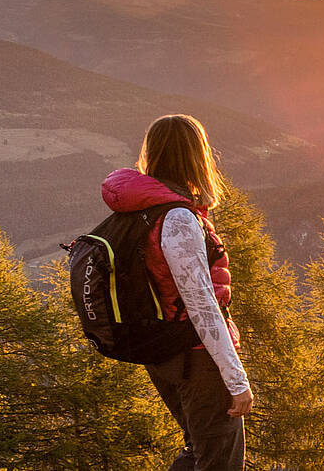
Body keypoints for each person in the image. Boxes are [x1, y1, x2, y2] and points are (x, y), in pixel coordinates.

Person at [100, 114, 252, 470]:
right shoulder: (178, 218)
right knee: (219, 462)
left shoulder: (141, 211)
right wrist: (236, 378)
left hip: (165, 353)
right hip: (196, 357)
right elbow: (201, 305)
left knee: (197, 451)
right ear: (196, 156)